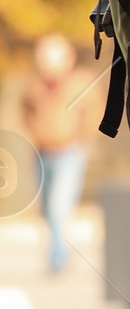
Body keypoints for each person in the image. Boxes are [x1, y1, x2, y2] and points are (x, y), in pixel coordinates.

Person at [21, 35, 98, 274]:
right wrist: (36, 132)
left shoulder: (81, 82)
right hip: (43, 152)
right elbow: (26, 111)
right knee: (45, 208)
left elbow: (94, 112)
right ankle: (57, 250)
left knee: (58, 205)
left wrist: (80, 136)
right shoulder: (34, 85)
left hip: (70, 152)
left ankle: (58, 256)